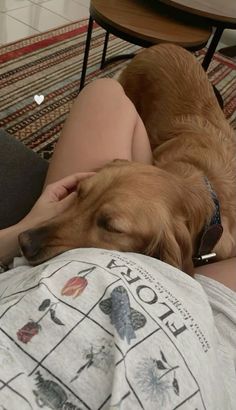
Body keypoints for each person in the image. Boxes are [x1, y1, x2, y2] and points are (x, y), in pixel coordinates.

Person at [0, 79, 235, 409]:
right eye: (82, 194)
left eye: (107, 224)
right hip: (199, 349)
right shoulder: (179, 266)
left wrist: (14, 235)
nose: (32, 239)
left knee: (106, 91)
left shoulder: (168, 244)